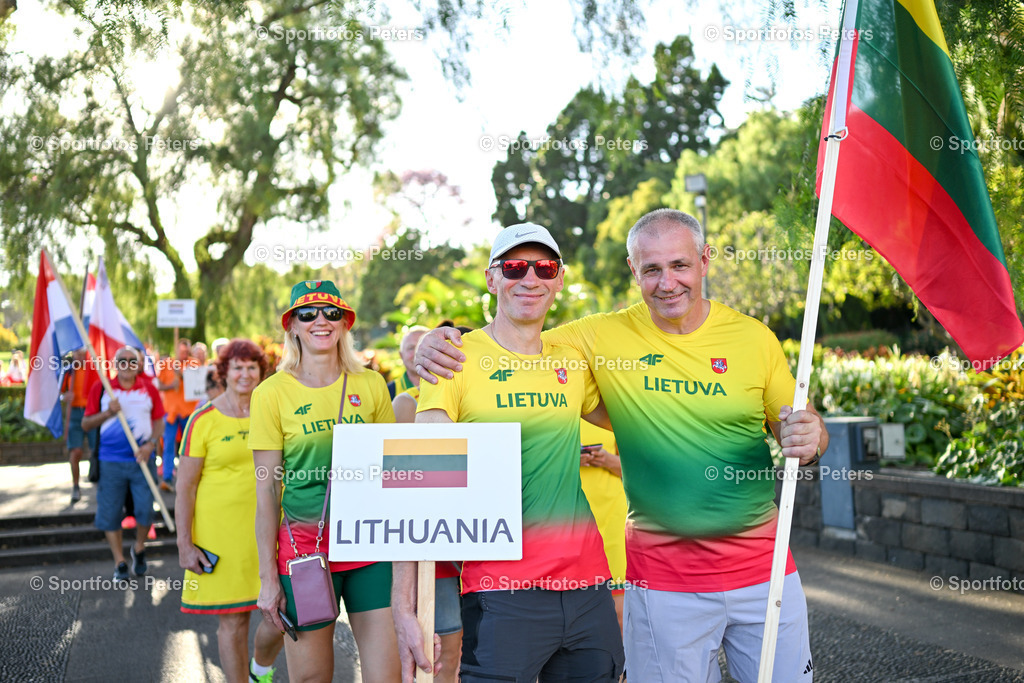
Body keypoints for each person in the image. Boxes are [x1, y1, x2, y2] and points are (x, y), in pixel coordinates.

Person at [416, 209, 829, 683]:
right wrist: (436, 341)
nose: (667, 282)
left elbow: (803, 431)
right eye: (651, 269)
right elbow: (510, 342)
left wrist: (812, 437)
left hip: (765, 573)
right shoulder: (595, 337)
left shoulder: (754, 338)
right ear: (634, 271)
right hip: (660, 582)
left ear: (705, 261)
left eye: (679, 265)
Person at [394, 224, 624, 683]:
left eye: (545, 267)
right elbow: (419, 481)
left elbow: (639, 420)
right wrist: (404, 606)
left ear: (559, 280)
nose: (530, 278)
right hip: (500, 592)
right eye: (515, 267)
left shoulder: (572, 359)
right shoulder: (454, 358)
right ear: (492, 278)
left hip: (588, 587)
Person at [250, 280, 401, 683]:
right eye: (308, 313)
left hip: (371, 547)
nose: (321, 320)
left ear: (344, 324)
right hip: (305, 553)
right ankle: (258, 668)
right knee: (312, 678)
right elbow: (266, 491)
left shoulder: (370, 385)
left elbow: (393, 470)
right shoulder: (271, 394)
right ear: (292, 327)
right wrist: (268, 579)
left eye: (332, 313)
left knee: (387, 677)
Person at [176, 339, 283, 683]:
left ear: (261, 371)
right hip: (219, 536)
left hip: (271, 531)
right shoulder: (202, 420)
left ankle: (260, 670)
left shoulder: (274, 412)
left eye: (252, 366)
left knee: (283, 614)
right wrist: (184, 544)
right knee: (233, 621)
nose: (245, 374)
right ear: (224, 373)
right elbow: (185, 487)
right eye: (237, 366)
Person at [81, 346, 165, 582]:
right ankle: (119, 562)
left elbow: (159, 422)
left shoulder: (149, 389)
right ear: (115, 364)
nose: (127, 364)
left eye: (132, 360)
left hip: (142, 461)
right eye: (122, 360)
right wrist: (107, 413)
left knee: (145, 510)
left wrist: (150, 444)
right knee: (110, 512)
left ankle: (138, 548)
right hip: (110, 463)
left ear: (139, 364)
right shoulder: (102, 389)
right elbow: (86, 424)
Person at [579, 420, 628, 632]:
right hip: (568, 518)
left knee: (620, 612)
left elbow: (638, 469)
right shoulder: (554, 406)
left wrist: (606, 459)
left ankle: (624, 666)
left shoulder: (609, 410)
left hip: (612, 515)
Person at [156, 338, 199, 491]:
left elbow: (198, 386)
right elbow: (158, 385)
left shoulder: (195, 364)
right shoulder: (167, 364)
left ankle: (189, 477)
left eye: (187, 352)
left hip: (189, 412)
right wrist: (169, 386)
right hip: (171, 412)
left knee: (190, 446)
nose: (184, 354)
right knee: (168, 445)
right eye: (182, 351)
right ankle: (167, 478)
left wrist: (181, 376)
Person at [62, 349, 99, 502]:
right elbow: (61, 392)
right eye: (77, 353)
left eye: (83, 352)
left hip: (92, 413)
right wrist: (65, 396)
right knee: (75, 451)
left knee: (96, 451)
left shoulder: (94, 371)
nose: (80, 356)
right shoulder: (69, 371)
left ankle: (98, 484)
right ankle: (76, 486)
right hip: (75, 414)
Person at [387, 326, 428, 401]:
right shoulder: (389, 392)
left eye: (422, 346)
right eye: (411, 348)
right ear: (401, 355)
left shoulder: (449, 385)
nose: (417, 353)